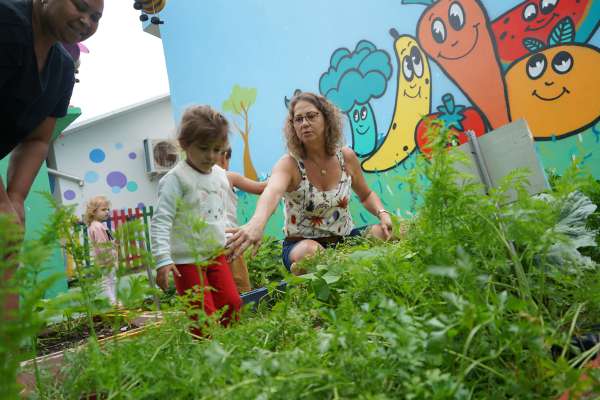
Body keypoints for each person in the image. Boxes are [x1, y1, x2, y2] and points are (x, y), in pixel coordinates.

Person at [0, 0, 103, 318]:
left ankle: (7, 364)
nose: (86, 20)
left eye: (95, 17)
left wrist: (15, 198)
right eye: (80, 6)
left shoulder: (61, 68)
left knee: (6, 244)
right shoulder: (7, 24)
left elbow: (38, 139)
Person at [227, 92, 393, 275]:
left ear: (327, 119)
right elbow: (272, 192)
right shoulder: (289, 164)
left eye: (311, 116)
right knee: (311, 254)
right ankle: (324, 272)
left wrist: (382, 213)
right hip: (301, 245)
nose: (304, 123)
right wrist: (256, 223)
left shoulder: (346, 157)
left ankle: (339, 268)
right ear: (293, 127)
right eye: (298, 119)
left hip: (345, 240)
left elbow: (366, 195)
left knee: (391, 232)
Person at [151, 105, 242, 330]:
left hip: (215, 255)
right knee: (203, 317)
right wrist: (163, 259)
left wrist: (227, 237)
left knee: (232, 304)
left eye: (217, 149)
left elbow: (221, 212)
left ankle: (233, 349)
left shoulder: (220, 175)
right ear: (185, 144)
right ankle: (209, 355)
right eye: (203, 149)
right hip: (186, 261)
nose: (211, 156)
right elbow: (161, 221)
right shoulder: (176, 179)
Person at [216, 147, 267, 293]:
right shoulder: (229, 176)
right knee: (240, 290)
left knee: (215, 292)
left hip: (206, 244)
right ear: (225, 157)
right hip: (230, 243)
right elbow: (261, 188)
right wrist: (283, 176)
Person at [85, 196, 118, 305]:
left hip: (107, 258)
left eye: (108, 209)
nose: (107, 212)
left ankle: (114, 300)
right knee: (108, 281)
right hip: (106, 259)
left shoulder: (97, 225)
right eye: (103, 210)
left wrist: (113, 242)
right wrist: (109, 259)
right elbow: (101, 245)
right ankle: (112, 301)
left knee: (111, 279)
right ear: (93, 212)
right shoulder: (97, 227)